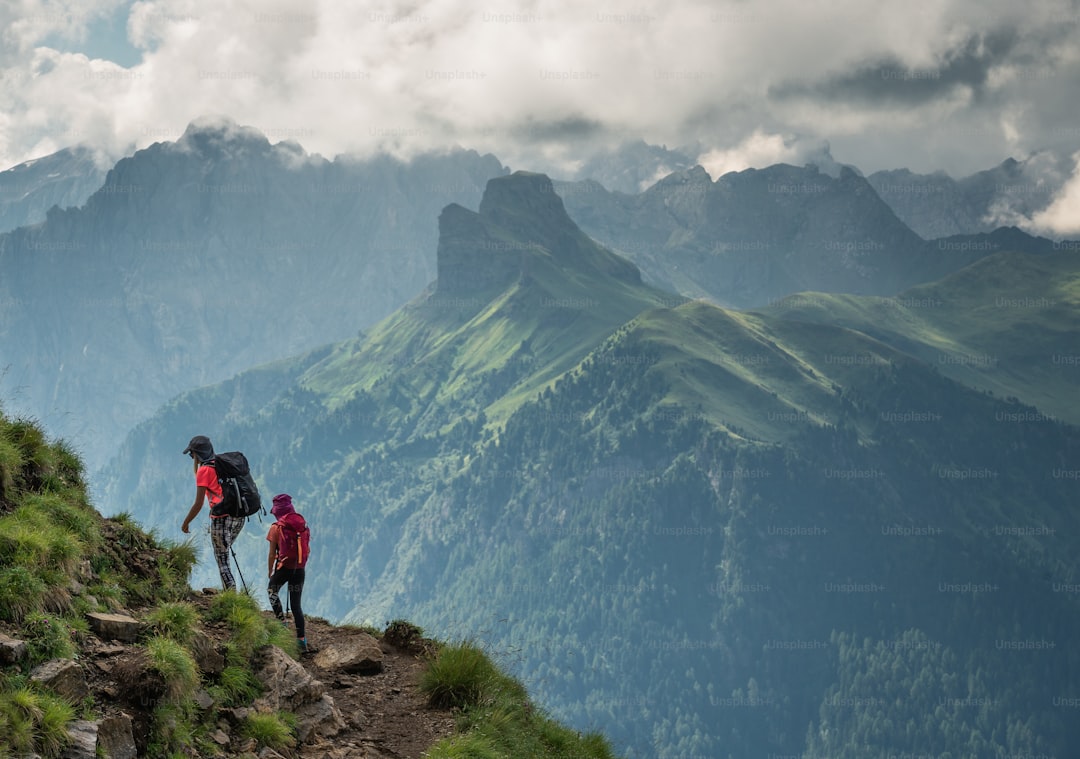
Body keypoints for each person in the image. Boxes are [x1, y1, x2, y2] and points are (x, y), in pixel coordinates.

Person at [181, 435, 246, 591]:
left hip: (221, 517)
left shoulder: (204, 471)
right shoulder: (222, 465)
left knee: (222, 560)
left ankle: (231, 598)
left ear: (196, 454)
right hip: (239, 516)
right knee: (224, 553)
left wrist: (186, 522)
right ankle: (230, 594)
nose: (192, 458)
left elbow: (198, 504)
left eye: (192, 455)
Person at [267, 493, 311, 653]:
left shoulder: (276, 528)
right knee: (296, 605)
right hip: (299, 569)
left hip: (284, 569)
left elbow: (272, 554)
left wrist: (270, 570)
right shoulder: (302, 526)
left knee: (272, 590)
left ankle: (282, 623)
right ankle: (302, 641)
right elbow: (308, 549)